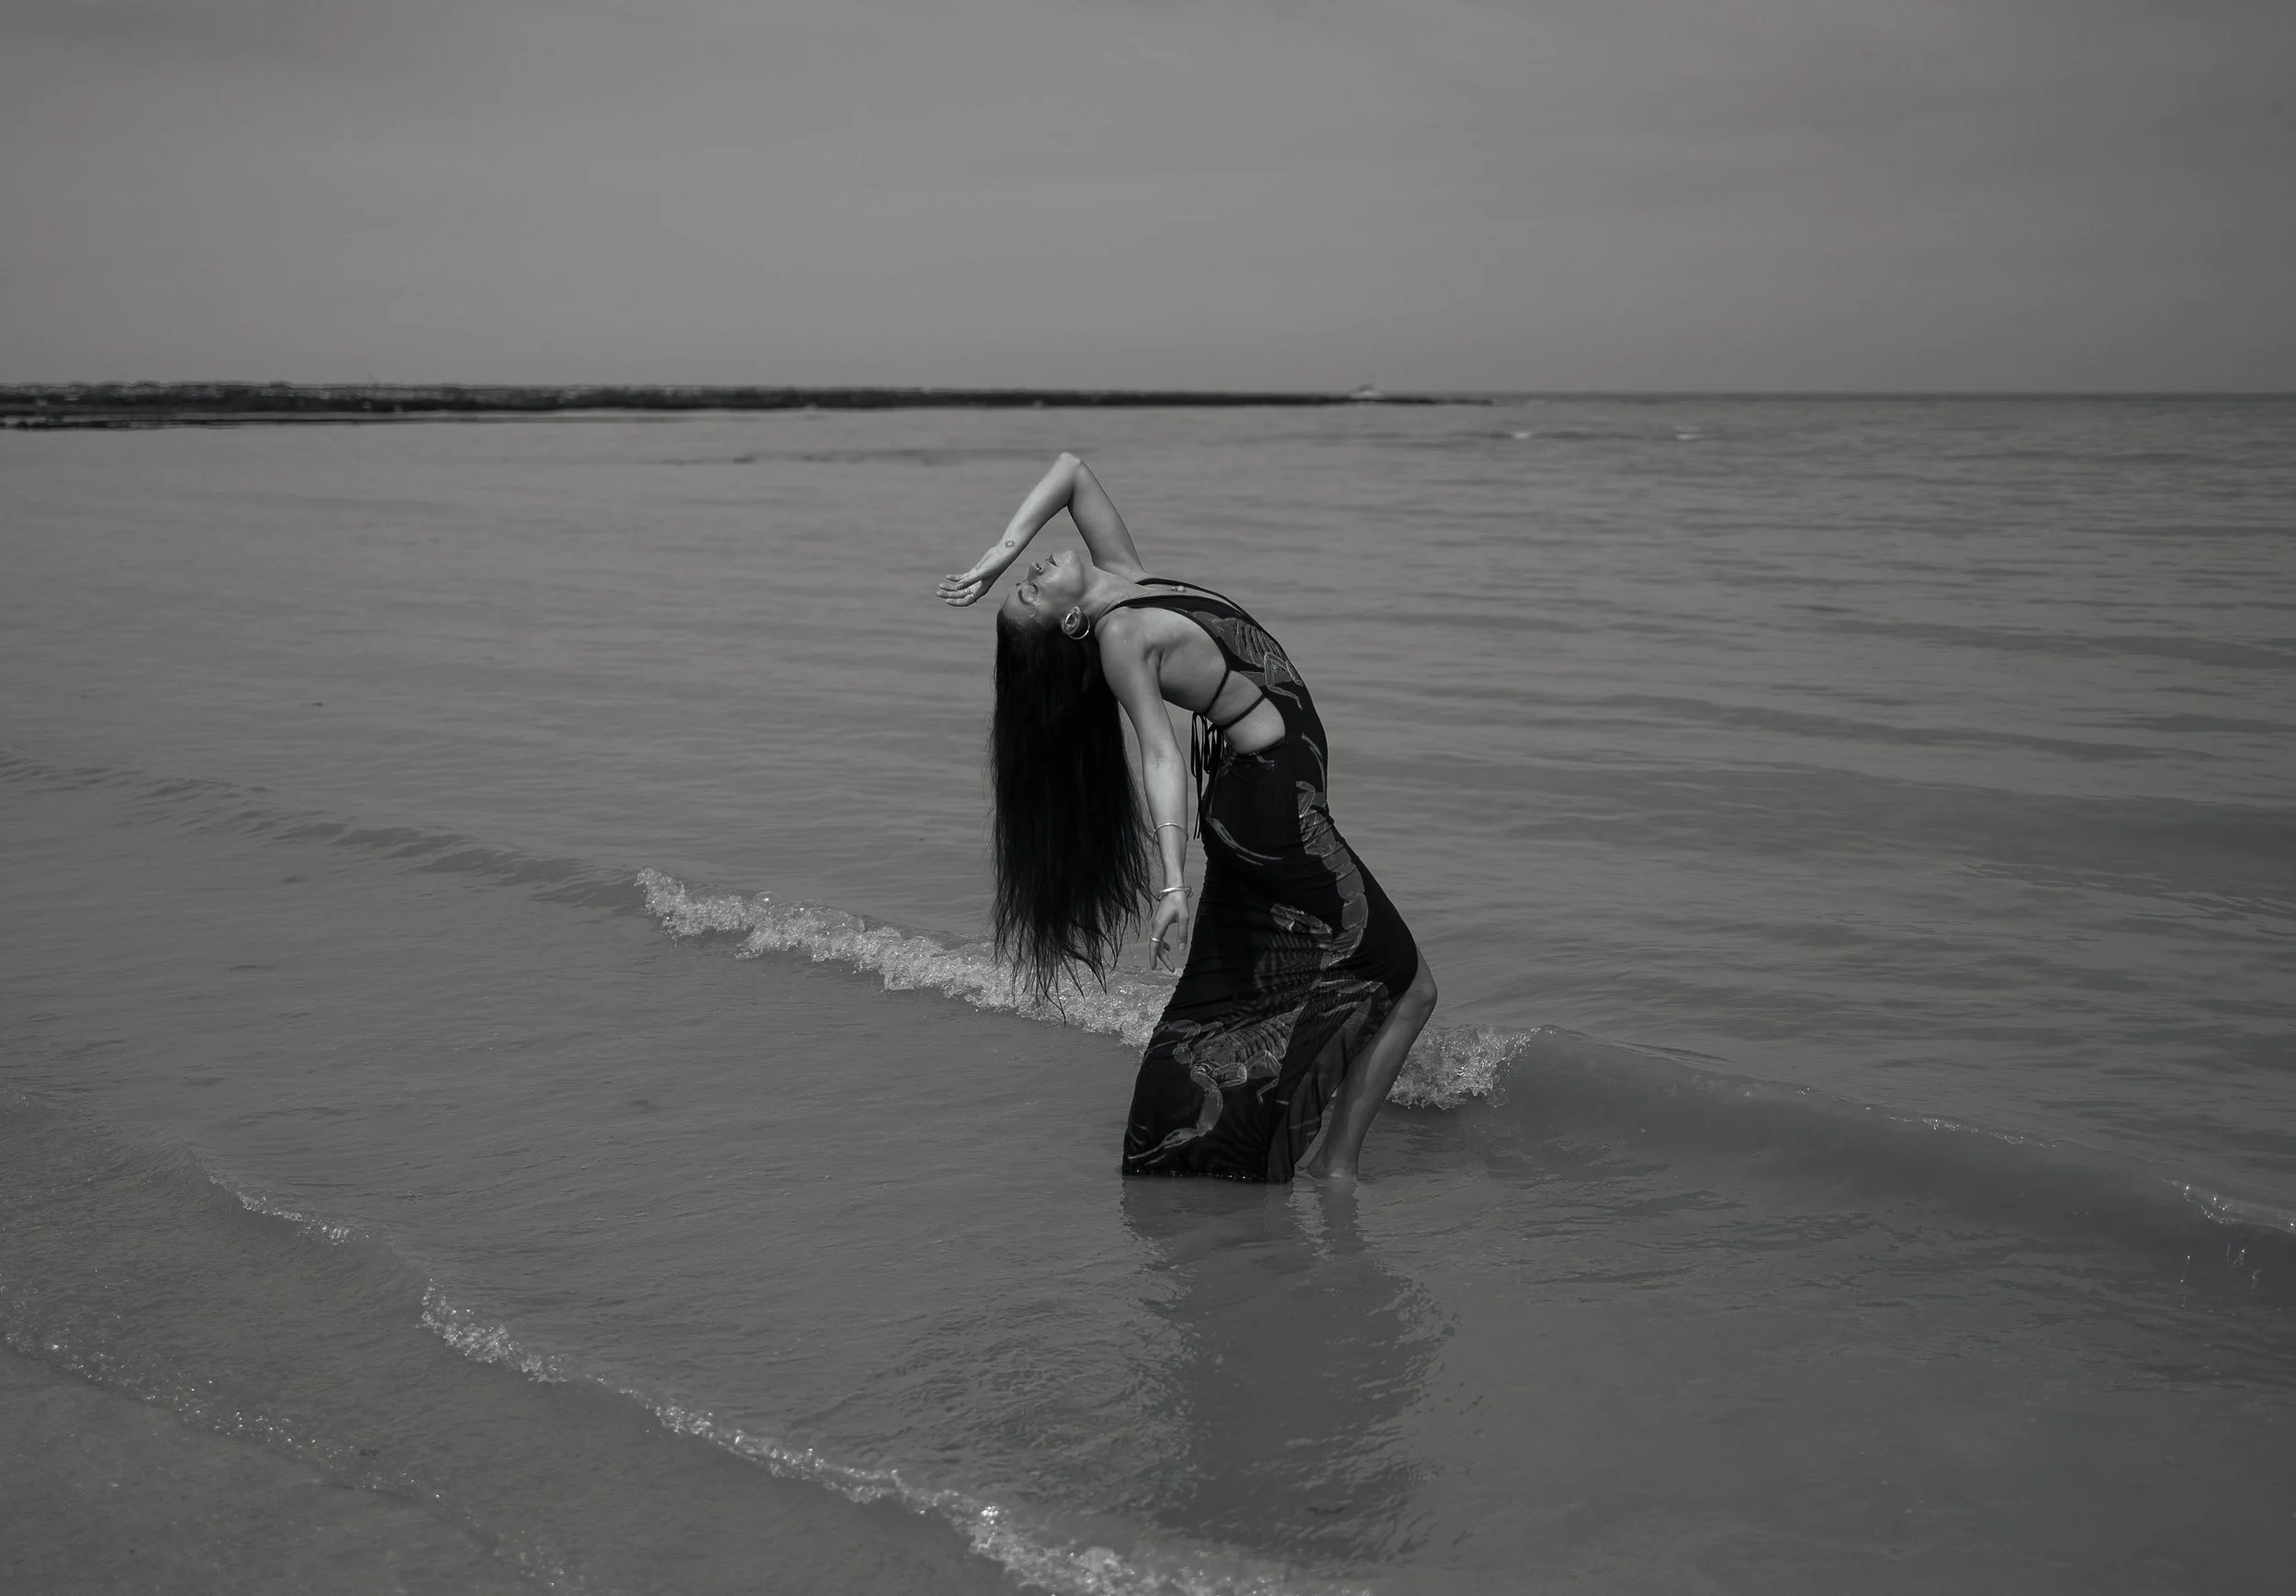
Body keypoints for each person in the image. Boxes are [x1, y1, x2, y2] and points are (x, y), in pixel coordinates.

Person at [939, 453, 1437, 1183]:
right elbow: (1160, 755)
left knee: (1235, 984)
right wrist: (1173, 880)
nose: (1032, 574)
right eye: (1029, 593)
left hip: (1262, 797)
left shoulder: (1125, 577)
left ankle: (1187, 1141)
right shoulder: (1119, 636)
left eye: (1023, 581)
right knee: (1408, 983)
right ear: (1072, 622)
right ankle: (1338, 1172)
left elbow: (1072, 470)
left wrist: (999, 551)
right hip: (1271, 813)